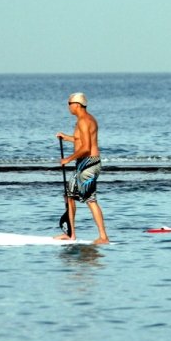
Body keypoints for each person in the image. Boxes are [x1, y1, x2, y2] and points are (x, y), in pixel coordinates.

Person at [54, 92, 110, 244]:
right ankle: (71, 234)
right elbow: (81, 140)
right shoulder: (85, 119)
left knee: (90, 199)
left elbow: (86, 148)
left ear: (77, 105)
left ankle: (103, 237)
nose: (68, 106)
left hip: (89, 164)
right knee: (69, 195)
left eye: (69, 103)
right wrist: (67, 138)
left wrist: (68, 159)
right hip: (82, 164)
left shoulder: (84, 121)